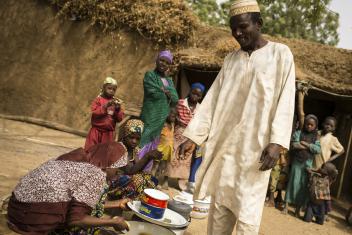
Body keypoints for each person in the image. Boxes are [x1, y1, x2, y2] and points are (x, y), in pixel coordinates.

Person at [179, 1, 296, 234]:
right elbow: (212, 101)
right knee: (219, 212)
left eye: (243, 27)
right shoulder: (230, 60)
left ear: (259, 23)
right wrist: (194, 136)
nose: (237, 33)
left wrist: (277, 142)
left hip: (257, 153)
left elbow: (287, 99)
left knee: (247, 218)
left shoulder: (280, 54)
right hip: (226, 150)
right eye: (233, 29)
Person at [7, 142, 131, 234]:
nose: (118, 173)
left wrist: (117, 204)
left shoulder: (79, 156)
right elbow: (76, 219)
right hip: (32, 221)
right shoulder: (95, 174)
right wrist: (112, 222)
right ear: (108, 164)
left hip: (16, 208)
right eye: (117, 168)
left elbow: (81, 202)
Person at [138, 50, 179, 171]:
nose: (163, 64)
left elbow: (175, 99)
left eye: (167, 62)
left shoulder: (169, 80)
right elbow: (152, 92)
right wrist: (166, 92)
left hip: (161, 119)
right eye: (162, 60)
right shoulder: (150, 75)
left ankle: (145, 172)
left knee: (154, 144)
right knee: (143, 139)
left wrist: (165, 91)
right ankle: (135, 168)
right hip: (150, 115)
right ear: (157, 60)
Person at [108, 119, 163, 200]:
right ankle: (118, 200)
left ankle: (132, 203)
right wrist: (147, 156)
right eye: (131, 137)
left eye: (137, 139)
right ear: (125, 135)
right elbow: (129, 171)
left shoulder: (134, 149)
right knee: (137, 181)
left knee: (152, 180)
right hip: (112, 183)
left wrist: (150, 157)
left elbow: (138, 168)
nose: (134, 141)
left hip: (125, 180)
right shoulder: (119, 148)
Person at [168, 82, 205, 190]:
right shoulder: (180, 103)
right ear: (189, 92)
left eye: (198, 95)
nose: (195, 96)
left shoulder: (201, 108)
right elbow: (173, 114)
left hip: (190, 134)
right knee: (173, 153)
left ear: (201, 96)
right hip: (178, 131)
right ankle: (166, 178)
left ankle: (181, 181)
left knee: (186, 158)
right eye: (193, 93)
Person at [284, 114, 321, 217]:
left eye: (311, 125)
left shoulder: (316, 137)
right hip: (297, 163)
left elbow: (318, 150)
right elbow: (294, 145)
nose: (309, 126)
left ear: (315, 126)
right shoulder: (298, 133)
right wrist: (310, 147)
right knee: (292, 183)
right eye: (307, 124)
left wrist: (306, 144)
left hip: (307, 164)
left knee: (303, 186)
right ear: (304, 124)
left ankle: (297, 209)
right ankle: (286, 206)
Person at [84, 77, 124, 150]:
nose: (111, 91)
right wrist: (106, 106)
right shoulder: (98, 100)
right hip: (96, 131)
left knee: (104, 152)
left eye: (114, 89)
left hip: (108, 134)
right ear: (103, 88)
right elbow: (95, 112)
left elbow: (119, 119)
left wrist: (117, 109)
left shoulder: (116, 102)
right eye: (109, 88)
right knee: (91, 150)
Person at [151, 107, 177, 189]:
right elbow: (156, 136)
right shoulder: (163, 124)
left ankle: (155, 182)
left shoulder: (172, 125)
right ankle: (150, 181)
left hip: (167, 152)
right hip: (160, 150)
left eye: (174, 116)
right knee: (155, 166)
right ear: (166, 114)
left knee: (161, 168)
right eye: (171, 115)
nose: (173, 118)